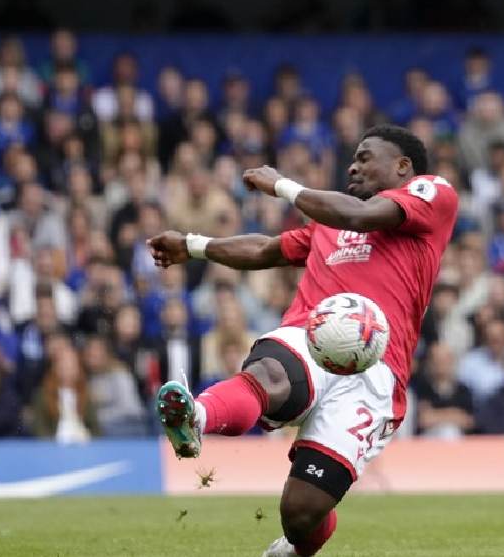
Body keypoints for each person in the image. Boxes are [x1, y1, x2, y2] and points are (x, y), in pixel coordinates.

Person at [146, 124, 457, 557]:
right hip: (311, 335)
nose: (353, 164)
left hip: (377, 370)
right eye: (354, 157)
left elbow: (360, 216)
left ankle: (296, 549)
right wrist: (194, 245)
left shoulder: (433, 192)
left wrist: (283, 186)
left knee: (301, 512)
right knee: (272, 373)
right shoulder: (328, 223)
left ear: (403, 166)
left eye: (365, 156)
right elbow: (266, 250)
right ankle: (197, 416)